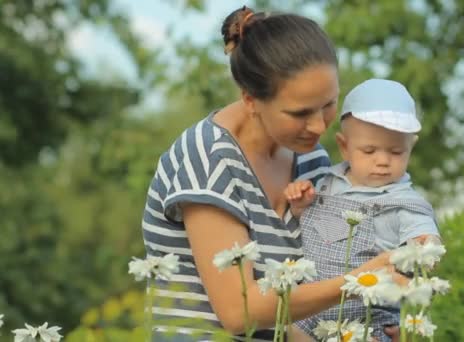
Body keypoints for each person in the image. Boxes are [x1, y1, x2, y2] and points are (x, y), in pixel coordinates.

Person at [140, 6, 404, 342]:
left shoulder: (312, 161)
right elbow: (240, 313)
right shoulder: (208, 158)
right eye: (299, 113)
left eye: (328, 104)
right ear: (251, 100)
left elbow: (291, 309)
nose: (319, 126)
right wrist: (360, 282)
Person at [284, 79, 442, 341]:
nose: (382, 161)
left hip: (368, 317)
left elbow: (425, 239)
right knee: (276, 326)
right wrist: (301, 206)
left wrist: (425, 245)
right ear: (344, 147)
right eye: (369, 150)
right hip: (312, 308)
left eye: (396, 151)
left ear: (410, 148)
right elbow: (314, 229)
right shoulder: (326, 183)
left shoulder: (403, 202)